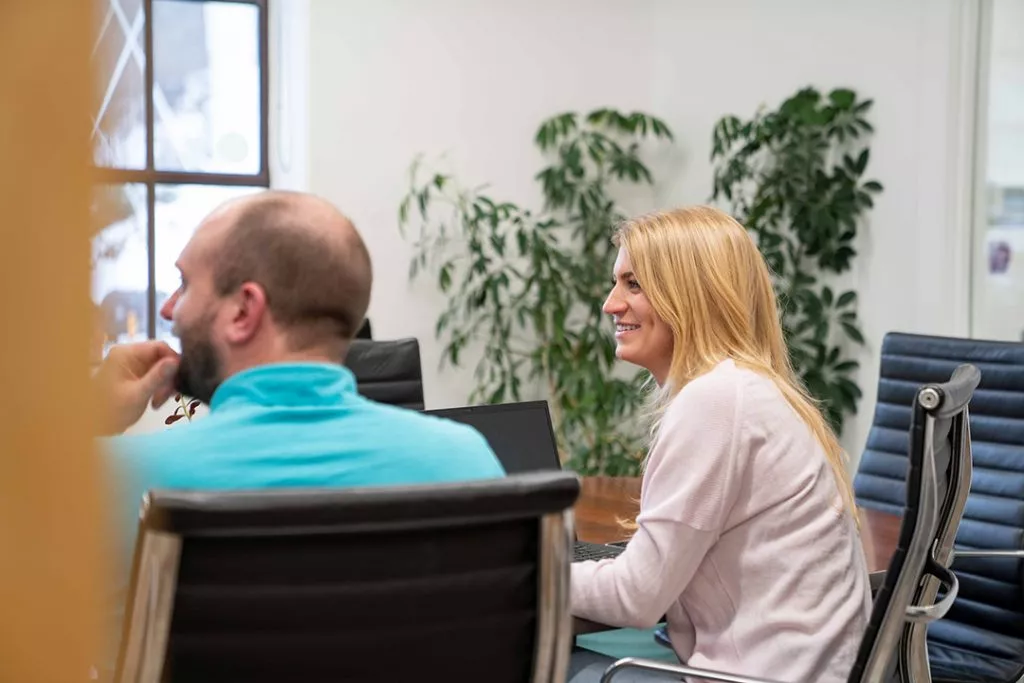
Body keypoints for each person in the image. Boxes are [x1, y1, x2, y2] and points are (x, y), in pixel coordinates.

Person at [95, 190, 505, 558]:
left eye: (185, 283)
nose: (169, 309)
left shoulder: (113, 482)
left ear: (243, 311)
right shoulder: (467, 465)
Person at [568, 207, 871, 682]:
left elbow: (637, 595)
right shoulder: (747, 388)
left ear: (689, 296)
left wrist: (526, 572)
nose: (610, 304)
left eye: (633, 284)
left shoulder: (717, 401)